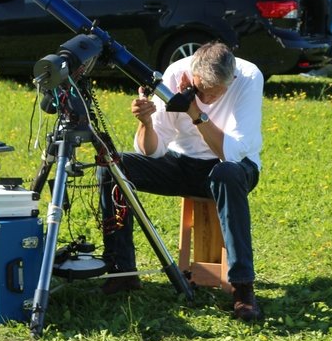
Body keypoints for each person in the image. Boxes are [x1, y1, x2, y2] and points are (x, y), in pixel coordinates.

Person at [98, 41, 264, 322]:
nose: (207, 97)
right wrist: (146, 122)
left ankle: (242, 288)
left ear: (231, 79)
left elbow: (232, 152)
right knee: (114, 167)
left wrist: (196, 112)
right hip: (183, 163)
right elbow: (153, 150)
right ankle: (122, 270)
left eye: (215, 93)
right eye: (201, 90)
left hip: (233, 166)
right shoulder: (175, 74)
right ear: (193, 73)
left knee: (227, 174)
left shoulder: (248, 77)